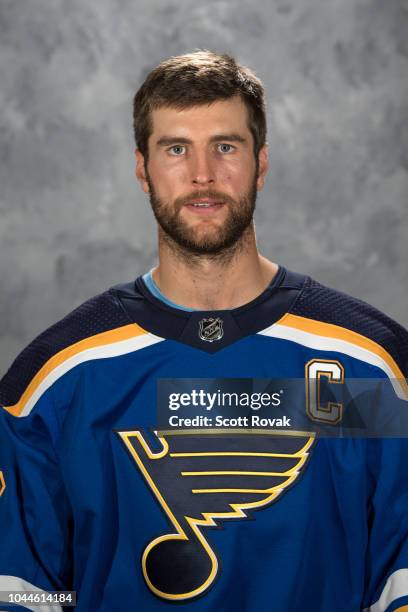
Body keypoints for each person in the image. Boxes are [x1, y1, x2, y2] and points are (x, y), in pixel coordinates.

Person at [0, 50, 407, 612]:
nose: (202, 174)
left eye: (225, 146)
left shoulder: (369, 367)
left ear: (260, 163)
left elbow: (400, 579)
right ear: (142, 168)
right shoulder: (56, 381)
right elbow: (26, 593)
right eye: (175, 149)